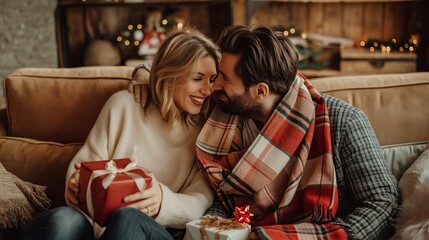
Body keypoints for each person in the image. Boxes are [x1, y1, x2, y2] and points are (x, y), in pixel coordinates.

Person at [131, 24, 400, 240]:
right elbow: (226, 207)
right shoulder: (225, 115)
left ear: (260, 91)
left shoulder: (342, 121)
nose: (214, 87)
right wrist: (145, 76)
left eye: (224, 78)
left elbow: (383, 203)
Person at [21, 28, 220, 240]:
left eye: (212, 80)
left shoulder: (207, 130)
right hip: (98, 228)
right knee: (63, 220)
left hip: (153, 230)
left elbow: (200, 199)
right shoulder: (123, 105)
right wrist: (77, 187)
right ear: (170, 75)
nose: (207, 90)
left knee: (128, 218)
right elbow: (83, 167)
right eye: (198, 78)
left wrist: (163, 200)